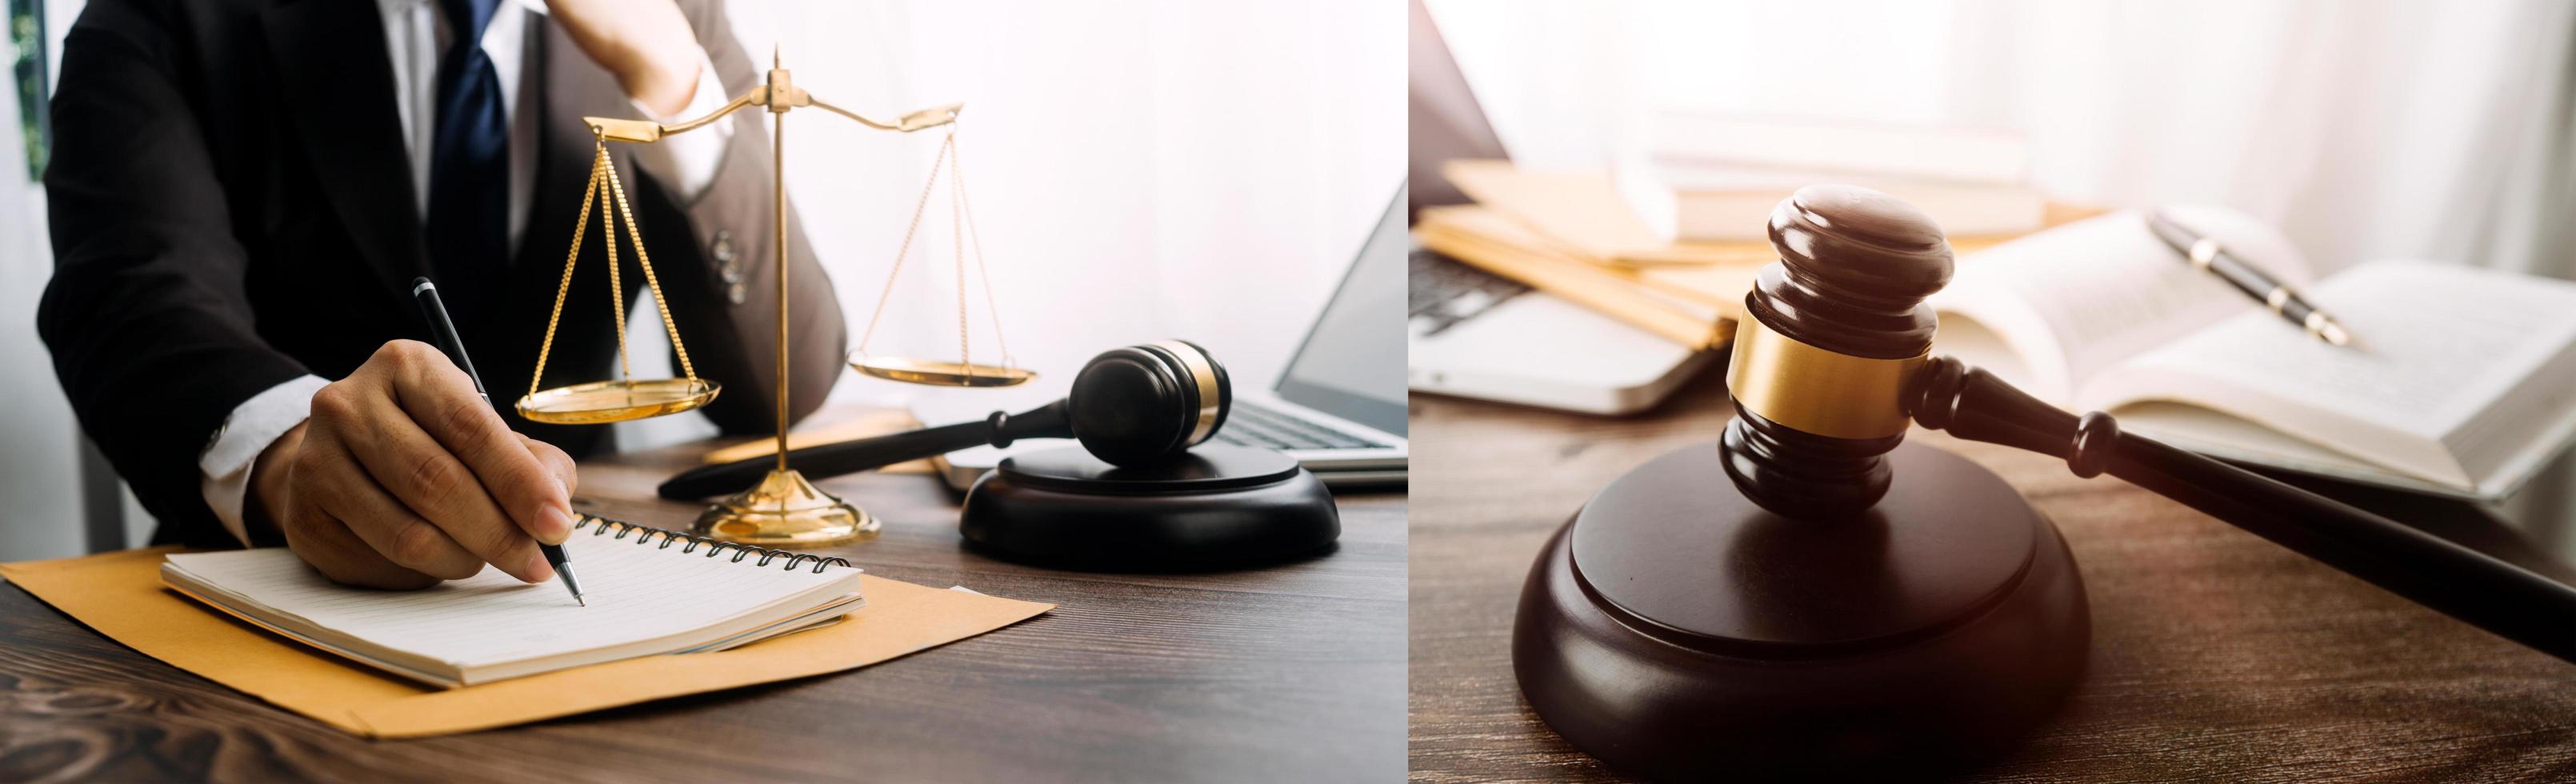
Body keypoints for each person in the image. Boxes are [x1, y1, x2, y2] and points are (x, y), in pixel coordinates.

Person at [38, 0, 843, 590]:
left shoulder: (675, 17)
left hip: (585, 586)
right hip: (272, 593)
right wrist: (292, 456)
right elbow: (130, 294)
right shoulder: (165, 18)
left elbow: (784, 386)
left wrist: (671, 82)